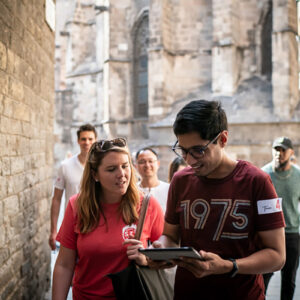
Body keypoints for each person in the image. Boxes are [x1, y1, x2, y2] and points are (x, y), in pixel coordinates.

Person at [148, 100, 286, 300]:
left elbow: (277, 256)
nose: (190, 160)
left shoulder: (258, 181)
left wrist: (229, 266)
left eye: (198, 150)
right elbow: (170, 236)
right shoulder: (180, 180)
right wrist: (160, 249)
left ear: (222, 139)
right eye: (183, 150)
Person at [52, 138, 164, 299]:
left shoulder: (147, 205)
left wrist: (146, 259)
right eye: (111, 169)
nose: (121, 174)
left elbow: (168, 253)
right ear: (94, 174)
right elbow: (64, 265)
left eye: (125, 166)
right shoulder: (76, 206)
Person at [262, 137, 300, 300]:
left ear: (291, 152)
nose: (280, 153)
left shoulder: (298, 175)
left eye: (284, 150)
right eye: (277, 149)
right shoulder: (263, 174)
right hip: (268, 234)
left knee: (289, 280)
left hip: (291, 234)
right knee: (263, 277)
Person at [48, 124, 97, 250]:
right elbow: (57, 199)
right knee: (70, 265)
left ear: (95, 140)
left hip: (97, 223)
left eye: (90, 139)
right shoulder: (65, 166)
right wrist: (54, 231)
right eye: (83, 139)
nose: (87, 142)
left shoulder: (101, 166)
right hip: (73, 224)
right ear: (78, 141)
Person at [135, 147, 170, 212]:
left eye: (150, 161)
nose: (147, 165)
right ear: (136, 166)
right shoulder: (132, 191)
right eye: (142, 162)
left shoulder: (169, 189)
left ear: (158, 164)